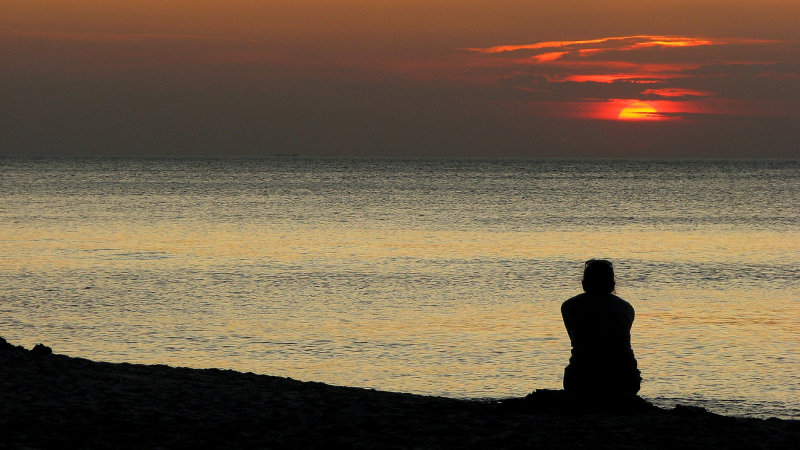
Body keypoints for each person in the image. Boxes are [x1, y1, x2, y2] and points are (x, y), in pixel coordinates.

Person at [561, 259, 642, 395]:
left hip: (581, 381)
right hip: (625, 381)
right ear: (613, 285)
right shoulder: (627, 308)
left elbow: (577, 339)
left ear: (584, 284)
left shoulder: (569, 306)